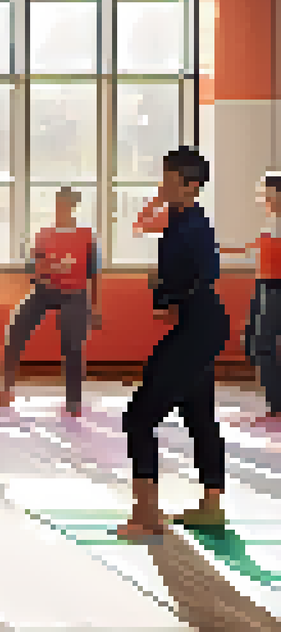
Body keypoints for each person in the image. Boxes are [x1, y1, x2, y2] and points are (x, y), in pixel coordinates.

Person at [117, 147, 230, 540]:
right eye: (163, 174)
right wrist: (166, 292)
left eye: (171, 178)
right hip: (198, 327)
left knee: (139, 418)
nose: (163, 183)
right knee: (198, 414)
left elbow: (206, 272)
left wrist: (166, 290)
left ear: (191, 185)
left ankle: (146, 516)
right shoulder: (178, 221)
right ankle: (211, 506)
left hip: (199, 329)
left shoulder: (194, 226)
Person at [0, 186, 103, 416]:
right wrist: (45, 270)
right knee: (15, 328)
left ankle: (73, 402)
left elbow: (94, 273)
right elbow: (34, 270)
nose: (60, 209)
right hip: (44, 291)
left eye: (65, 205)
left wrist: (95, 307)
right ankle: (6, 389)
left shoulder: (86, 236)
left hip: (75, 294)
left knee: (72, 344)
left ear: (72, 207)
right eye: (58, 205)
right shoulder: (44, 234)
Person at [221, 173, 281, 419]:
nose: (263, 199)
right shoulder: (271, 224)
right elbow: (252, 249)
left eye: (267, 194)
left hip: (275, 287)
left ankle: (277, 405)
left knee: (262, 345)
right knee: (252, 342)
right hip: (262, 285)